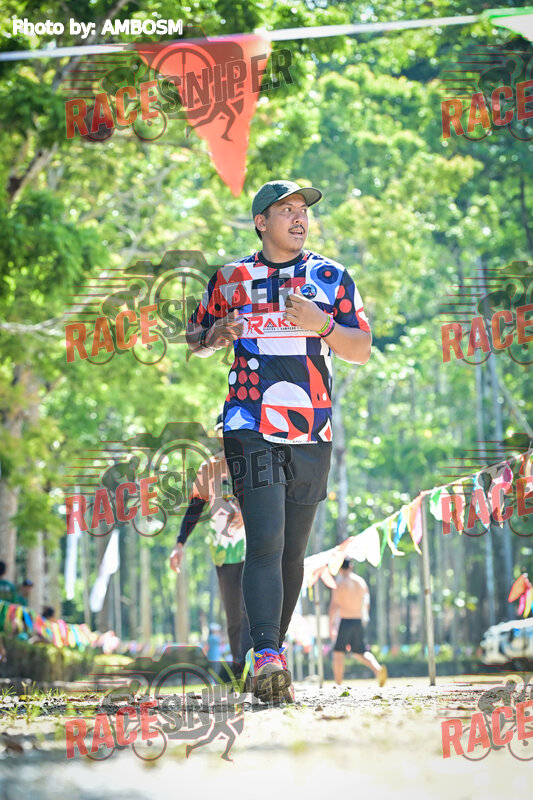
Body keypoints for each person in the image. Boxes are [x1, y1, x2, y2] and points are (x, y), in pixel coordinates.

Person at [186, 179, 372, 702]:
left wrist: (322, 324)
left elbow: (361, 349)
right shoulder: (231, 278)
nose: (298, 217)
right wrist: (215, 336)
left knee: (292, 551)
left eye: (302, 210)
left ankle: (269, 656)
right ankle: (265, 652)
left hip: (312, 428)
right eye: (285, 210)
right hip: (248, 422)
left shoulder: (332, 277)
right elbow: (195, 338)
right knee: (264, 539)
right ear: (260, 222)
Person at [169, 414, 252, 675]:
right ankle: (240, 672)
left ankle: (259, 667)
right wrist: (179, 543)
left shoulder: (254, 461)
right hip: (224, 551)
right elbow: (195, 506)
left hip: (255, 548)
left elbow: (271, 502)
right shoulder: (210, 468)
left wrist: (247, 514)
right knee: (234, 615)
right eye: (223, 431)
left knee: (254, 611)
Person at [329, 559, 387, 687]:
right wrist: (364, 619)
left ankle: (338, 684)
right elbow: (366, 603)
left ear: (339, 568)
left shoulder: (339, 584)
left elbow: (334, 606)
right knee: (360, 651)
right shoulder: (361, 582)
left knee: (338, 653)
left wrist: (331, 625)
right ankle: (378, 669)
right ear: (351, 566)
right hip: (358, 620)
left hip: (344, 620)